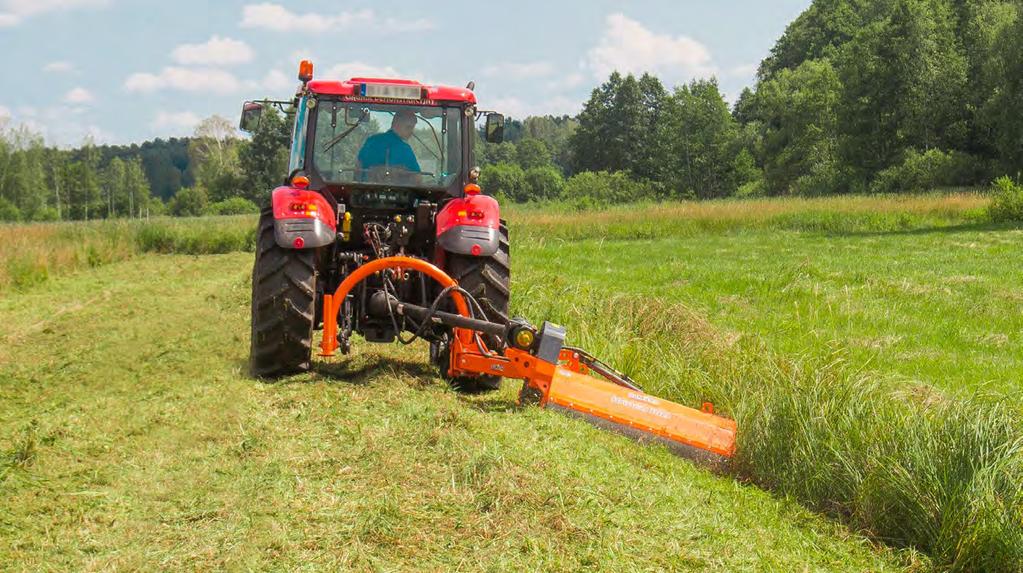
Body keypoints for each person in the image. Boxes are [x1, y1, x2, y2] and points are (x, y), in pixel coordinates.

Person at [356, 110, 421, 180]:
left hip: (365, 189)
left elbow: (358, 169)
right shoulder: (405, 149)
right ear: (396, 124)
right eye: (409, 127)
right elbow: (417, 179)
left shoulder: (371, 141)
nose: (411, 132)